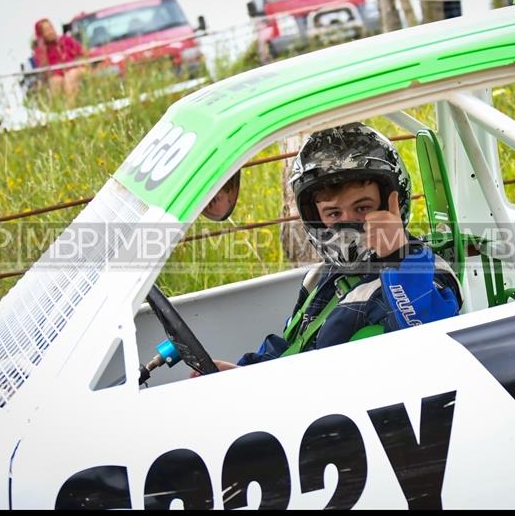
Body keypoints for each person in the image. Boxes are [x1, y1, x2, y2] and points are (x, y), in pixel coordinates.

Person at [198, 122, 462, 374]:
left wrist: (397, 256)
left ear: (392, 203)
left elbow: (425, 329)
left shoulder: (429, 271)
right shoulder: (320, 277)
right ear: (315, 216)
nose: (347, 223)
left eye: (362, 208)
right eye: (333, 213)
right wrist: (240, 374)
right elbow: (293, 348)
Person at [32, 18, 86, 100]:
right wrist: (43, 48)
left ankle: (70, 108)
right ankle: (59, 108)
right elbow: (46, 73)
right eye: (46, 30)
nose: (50, 31)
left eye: (51, 28)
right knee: (55, 82)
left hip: (74, 70)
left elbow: (84, 54)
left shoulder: (66, 40)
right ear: (41, 35)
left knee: (70, 76)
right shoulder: (40, 51)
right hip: (57, 75)